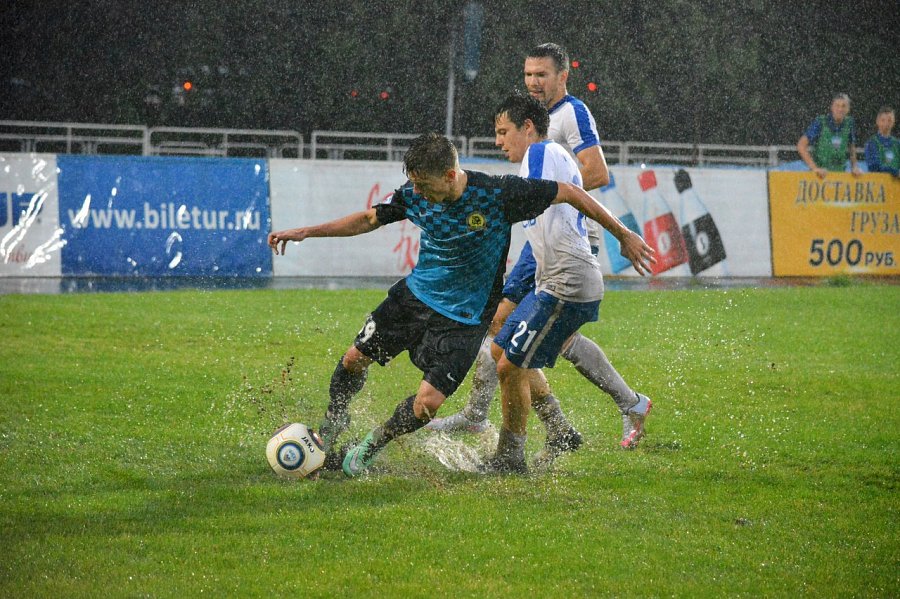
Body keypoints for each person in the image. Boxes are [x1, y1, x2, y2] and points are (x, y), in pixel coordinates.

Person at [268, 132, 654, 478]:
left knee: (427, 405)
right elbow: (368, 219)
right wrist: (306, 232)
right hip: (414, 299)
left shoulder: (498, 194)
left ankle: (370, 446)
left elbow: (570, 192)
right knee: (354, 359)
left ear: (450, 176)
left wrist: (623, 234)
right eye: (414, 184)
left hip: (465, 321)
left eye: (424, 185)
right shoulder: (412, 194)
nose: (417, 193)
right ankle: (331, 425)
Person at [428, 43, 650, 453]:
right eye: (528, 74)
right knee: (525, 332)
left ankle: (492, 421)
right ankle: (582, 417)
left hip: (567, 238)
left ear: (562, 76)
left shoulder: (569, 116)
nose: (533, 81)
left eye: (541, 74)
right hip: (548, 231)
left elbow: (596, 173)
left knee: (512, 330)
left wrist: (546, 194)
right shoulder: (532, 133)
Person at [476, 93, 652, 472]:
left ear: (527, 128)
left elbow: (573, 193)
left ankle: (509, 456)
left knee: (509, 366)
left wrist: (623, 234)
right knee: (501, 348)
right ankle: (562, 429)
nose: (498, 141)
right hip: (553, 281)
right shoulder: (542, 159)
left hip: (567, 283)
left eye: (503, 132)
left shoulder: (541, 153)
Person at [797, 93, 863, 178]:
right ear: (832, 107)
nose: (840, 109)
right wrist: (815, 168)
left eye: (843, 106)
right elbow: (801, 145)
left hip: (839, 176)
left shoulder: (849, 123)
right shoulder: (820, 122)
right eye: (837, 105)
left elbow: (852, 147)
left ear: (848, 109)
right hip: (820, 177)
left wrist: (854, 166)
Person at [864, 107, 900, 176]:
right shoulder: (872, 143)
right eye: (883, 120)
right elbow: (874, 167)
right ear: (877, 121)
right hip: (878, 182)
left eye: (889, 120)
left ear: (893, 122)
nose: (886, 123)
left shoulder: (897, 144)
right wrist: (895, 172)